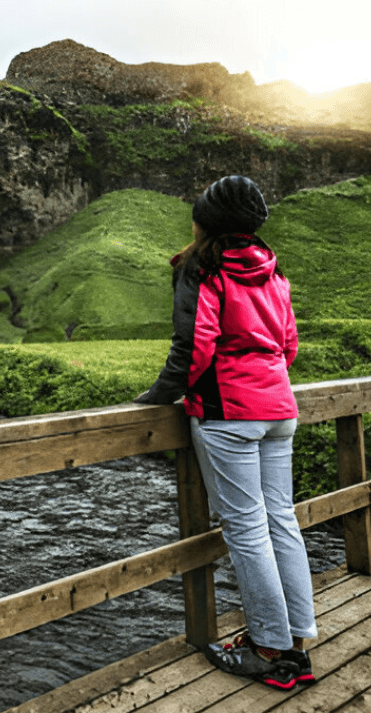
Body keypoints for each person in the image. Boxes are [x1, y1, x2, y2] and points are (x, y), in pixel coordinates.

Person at [133, 175, 317, 691]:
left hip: (228, 412)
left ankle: (268, 650)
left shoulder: (202, 269)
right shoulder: (273, 271)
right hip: (280, 410)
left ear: (206, 222)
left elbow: (194, 348)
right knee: (281, 519)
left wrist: (153, 400)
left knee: (246, 528)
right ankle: (296, 643)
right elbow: (288, 347)